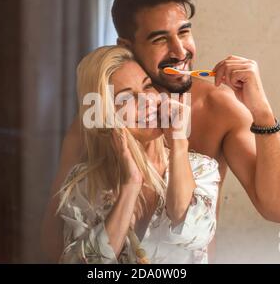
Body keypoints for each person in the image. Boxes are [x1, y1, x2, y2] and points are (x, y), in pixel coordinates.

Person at [42, 0, 280, 262]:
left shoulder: (218, 108)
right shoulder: (96, 123)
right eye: (161, 39)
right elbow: (53, 240)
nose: (180, 51)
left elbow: (279, 210)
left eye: (184, 32)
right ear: (126, 46)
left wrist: (261, 110)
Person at [57, 45, 220, 264]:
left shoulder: (203, 169)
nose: (147, 101)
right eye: (126, 99)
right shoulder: (85, 183)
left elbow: (193, 233)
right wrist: (130, 186)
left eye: (148, 86)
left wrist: (179, 143)